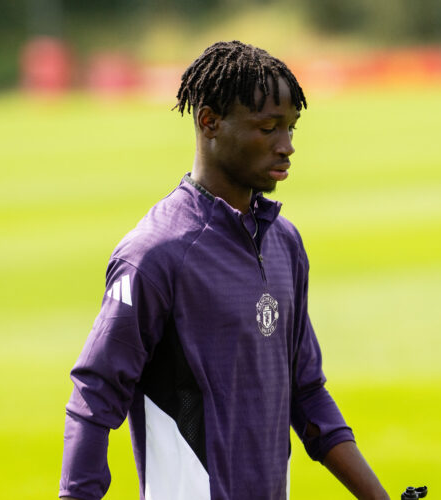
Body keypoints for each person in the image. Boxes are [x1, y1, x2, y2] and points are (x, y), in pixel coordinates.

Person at [59, 40, 389, 500]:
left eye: (291, 127)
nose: (287, 146)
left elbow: (307, 393)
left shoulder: (284, 243)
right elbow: (95, 397)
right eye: (268, 128)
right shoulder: (155, 254)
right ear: (209, 121)